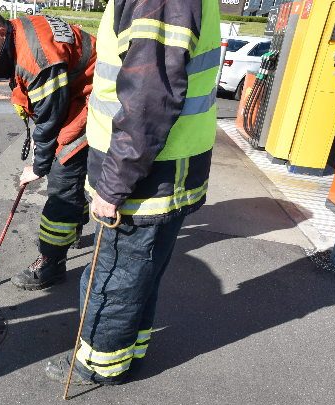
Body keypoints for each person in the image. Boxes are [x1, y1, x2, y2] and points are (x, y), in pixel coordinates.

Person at [44, 0, 221, 384]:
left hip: (143, 179)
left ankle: (97, 365)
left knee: (114, 278)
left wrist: (113, 187)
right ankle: (126, 354)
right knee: (141, 274)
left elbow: (147, 100)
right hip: (166, 170)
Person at [0, 9, 95, 290]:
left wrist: (37, 167)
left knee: (62, 177)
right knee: (66, 173)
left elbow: (51, 120)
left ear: (0, 33)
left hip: (90, 97)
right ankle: (76, 218)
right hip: (71, 93)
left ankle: (51, 262)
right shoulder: (16, 33)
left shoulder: (38, 59)